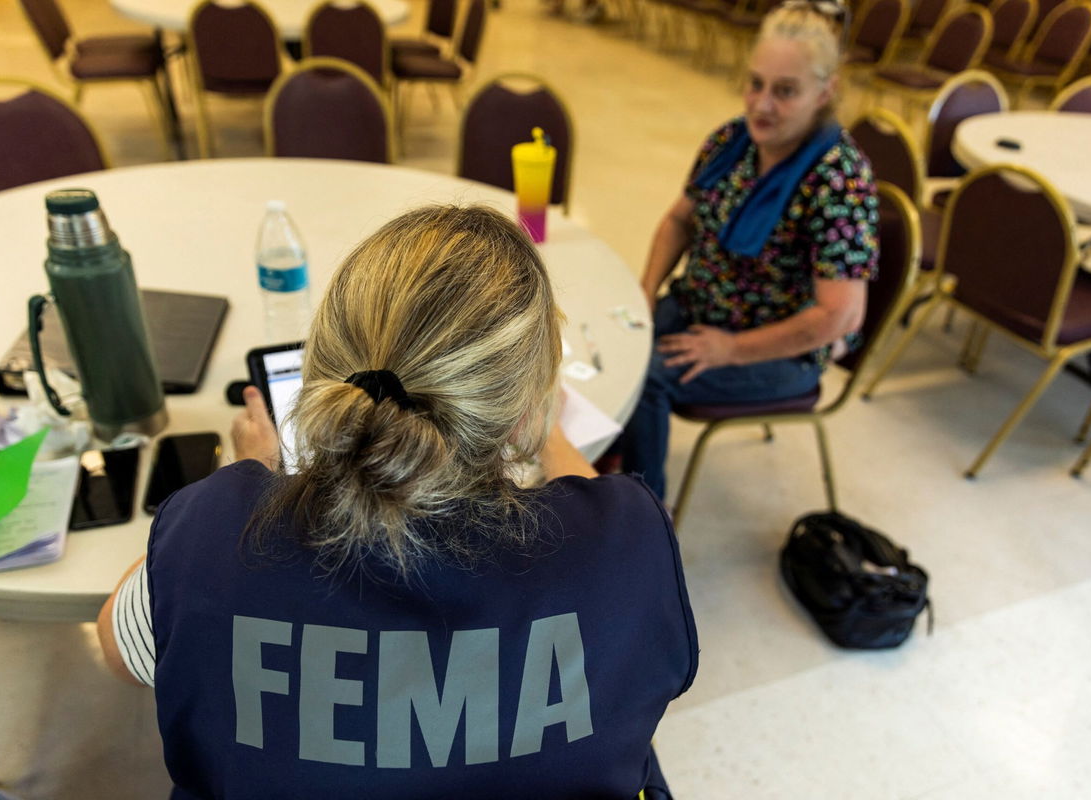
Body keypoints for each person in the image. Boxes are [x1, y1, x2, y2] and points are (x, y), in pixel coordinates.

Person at [97, 206, 697, 799]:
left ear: (322, 376)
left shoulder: (214, 534)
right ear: (518, 415)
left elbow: (119, 651)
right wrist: (547, 431)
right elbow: (594, 519)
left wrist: (250, 474)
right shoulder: (628, 541)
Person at [619, 0, 879, 500]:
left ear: (825, 92)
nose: (761, 104)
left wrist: (731, 349)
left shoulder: (840, 180)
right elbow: (679, 219)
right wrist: (647, 290)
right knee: (617, 338)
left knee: (647, 377)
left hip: (781, 349)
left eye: (785, 91)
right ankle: (603, 473)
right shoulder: (731, 141)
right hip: (702, 305)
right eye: (755, 83)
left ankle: (642, 522)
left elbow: (839, 316)